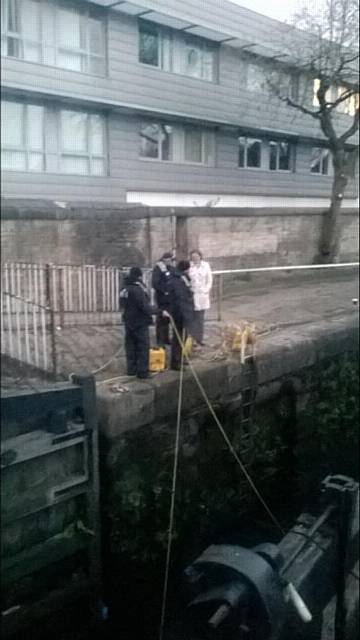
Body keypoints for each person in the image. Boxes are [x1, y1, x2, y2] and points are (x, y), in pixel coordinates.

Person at [119, 266, 154, 379]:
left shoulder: (124, 287)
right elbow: (144, 305)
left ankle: (131, 370)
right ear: (139, 276)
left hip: (128, 319)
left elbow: (122, 303)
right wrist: (159, 311)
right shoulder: (137, 288)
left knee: (130, 345)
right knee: (143, 346)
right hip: (139, 320)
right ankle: (143, 372)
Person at [167, 260, 194, 371]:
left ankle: (180, 357)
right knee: (178, 337)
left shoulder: (175, 277)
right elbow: (181, 298)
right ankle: (176, 362)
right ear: (185, 269)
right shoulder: (179, 279)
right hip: (180, 313)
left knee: (183, 336)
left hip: (180, 311)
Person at [189, 249, 213, 346]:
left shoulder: (206, 265)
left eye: (196, 256)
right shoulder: (190, 266)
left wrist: (206, 290)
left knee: (200, 319)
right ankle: (192, 339)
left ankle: (200, 339)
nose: (194, 258)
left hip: (202, 295)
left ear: (200, 256)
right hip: (192, 295)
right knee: (192, 318)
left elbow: (209, 280)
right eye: (193, 257)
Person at [151, 252, 175, 346]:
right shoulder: (158, 268)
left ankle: (165, 338)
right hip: (162, 297)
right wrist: (164, 290)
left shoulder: (170, 268)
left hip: (169, 298)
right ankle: (160, 339)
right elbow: (155, 283)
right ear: (165, 259)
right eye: (170, 260)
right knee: (161, 318)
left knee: (167, 319)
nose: (171, 262)